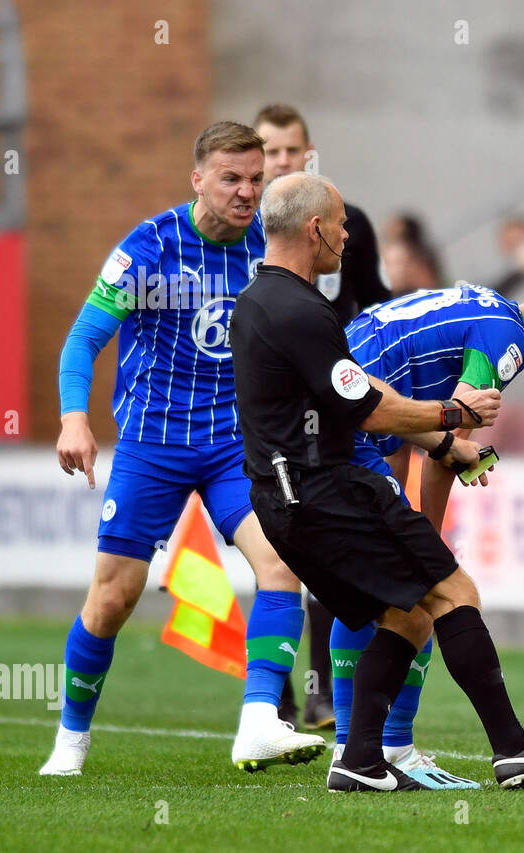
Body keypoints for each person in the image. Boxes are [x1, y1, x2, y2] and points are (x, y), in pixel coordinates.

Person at [231, 172, 524, 792]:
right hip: (331, 483)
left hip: (286, 494)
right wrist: (454, 422)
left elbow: (356, 403)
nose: (349, 239)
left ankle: (361, 759)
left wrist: (446, 440)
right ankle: (512, 748)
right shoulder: (301, 309)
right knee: (455, 593)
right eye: (343, 226)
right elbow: (370, 412)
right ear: (315, 228)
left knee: (408, 610)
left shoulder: (259, 303)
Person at [42, 122, 326, 777]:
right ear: (197, 178)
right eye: (231, 178)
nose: (247, 191)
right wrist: (73, 420)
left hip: (234, 445)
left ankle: (259, 723)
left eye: (256, 179)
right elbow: (83, 340)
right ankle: (71, 740)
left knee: (282, 565)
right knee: (113, 598)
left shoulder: (269, 245)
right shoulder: (148, 248)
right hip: (153, 444)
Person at [328, 268, 524, 789]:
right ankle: (472, 749)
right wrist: (429, 548)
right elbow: (449, 442)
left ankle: (367, 751)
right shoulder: (506, 339)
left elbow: (425, 433)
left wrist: (421, 544)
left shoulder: (483, 310)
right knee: (436, 593)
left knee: (384, 596)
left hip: (335, 425)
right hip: (342, 436)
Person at [255, 102, 393, 729]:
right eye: (270, 151)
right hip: (272, 408)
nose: (281, 161)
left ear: (308, 153)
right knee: (279, 553)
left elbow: (384, 303)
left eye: (291, 151)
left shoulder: (347, 224)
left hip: (341, 401)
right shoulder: (246, 235)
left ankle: (318, 692)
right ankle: (275, 694)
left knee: (320, 550)